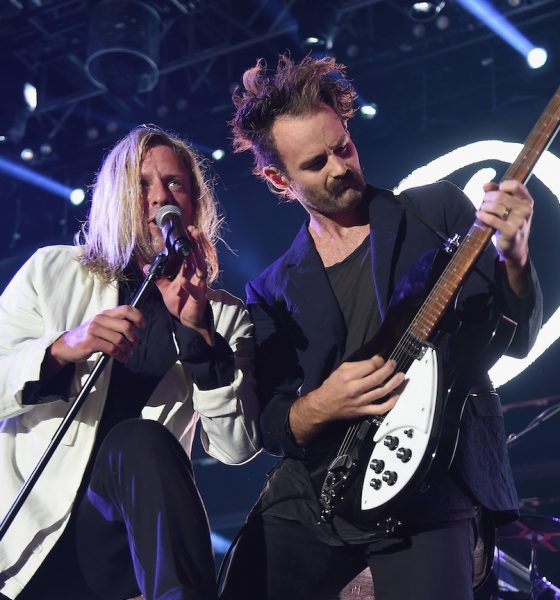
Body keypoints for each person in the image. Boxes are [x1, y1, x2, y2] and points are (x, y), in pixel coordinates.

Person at [219, 54, 543, 600]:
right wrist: (322, 404)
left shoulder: (434, 211)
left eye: (342, 146)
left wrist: (514, 253)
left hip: (434, 475)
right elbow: (271, 425)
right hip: (317, 489)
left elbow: (516, 338)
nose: (340, 166)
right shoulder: (271, 289)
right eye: (315, 162)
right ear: (279, 178)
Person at [0, 125, 260, 600]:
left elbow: (236, 446)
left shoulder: (223, 313)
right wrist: (62, 348)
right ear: (116, 195)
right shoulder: (53, 271)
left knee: (138, 439)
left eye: (175, 184)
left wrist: (199, 332)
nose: (160, 197)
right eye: (142, 184)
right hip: (29, 540)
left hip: (121, 554)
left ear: (193, 203)